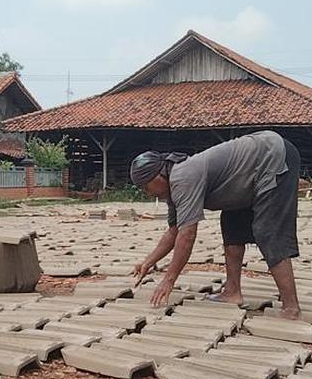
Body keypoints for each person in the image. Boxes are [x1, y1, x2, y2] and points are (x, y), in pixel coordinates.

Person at [129, 130, 303, 319]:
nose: (147, 192)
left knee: (268, 232)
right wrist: (148, 262)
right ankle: (232, 292)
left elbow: (187, 236)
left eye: (146, 186)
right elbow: (174, 231)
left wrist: (168, 281)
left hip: (272, 157)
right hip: (243, 181)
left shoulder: (182, 177)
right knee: (231, 228)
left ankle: (291, 307)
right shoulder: (173, 189)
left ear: (158, 176)